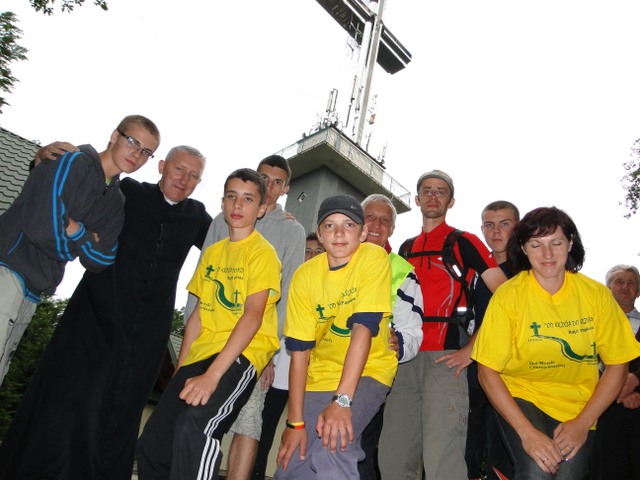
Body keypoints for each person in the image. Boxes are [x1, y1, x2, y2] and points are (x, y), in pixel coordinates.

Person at [0, 144, 212, 480]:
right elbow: (78, 190)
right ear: (161, 167)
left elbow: (234, 240)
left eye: (194, 176)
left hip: (147, 331)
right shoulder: (129, 192)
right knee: (71, 397)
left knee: (123, 408)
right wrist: (42, 160)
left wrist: (271, 214)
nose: (184, 180)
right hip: (97, 313)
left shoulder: (197, 216)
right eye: (179, 170)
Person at [471, 207, 640, 480]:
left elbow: (618, 365)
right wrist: (527, 434)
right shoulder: (508, 296)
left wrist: (583, 423)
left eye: (556, 243)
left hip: (578, 404)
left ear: (570, 243)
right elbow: (487, 371)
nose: (547, 254)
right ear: (523, 248)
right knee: (537, 469)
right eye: (536, 245)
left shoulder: (596, 295)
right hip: (522, 394)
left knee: (566, 475)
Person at [136, 168, 281, 480]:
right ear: (222, 202)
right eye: (231, 196)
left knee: (196, 426)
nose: (238, 205)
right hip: (201, 352)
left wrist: (213, 376)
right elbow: (198, 316)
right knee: (152, 444)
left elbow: (253, 316)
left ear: (261, 209)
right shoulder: (213, 253)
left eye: (248, 199)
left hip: (240, 355)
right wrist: (181, 369)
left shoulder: (263, 253)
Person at [0, 114, 159, 385]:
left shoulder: (115, 201)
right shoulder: (71, 161)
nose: (137, 154)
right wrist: (78, 245)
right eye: (133, 142)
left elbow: (102, 258)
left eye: (147, 152)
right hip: (8, 268)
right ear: (114, 136)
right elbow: (41, 226)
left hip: (35, 289)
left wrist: (76, 230)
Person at [378, 170, 507, 480]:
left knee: (443, 461)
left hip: (446, 359)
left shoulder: (465, 242)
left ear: (451, 201)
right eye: (427, 190)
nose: (433, 196)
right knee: (393, 457)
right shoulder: (405, 248)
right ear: (417, 199)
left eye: (441, 191)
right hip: (404, 358)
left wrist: (472, 349)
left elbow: (507, 297)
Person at [184, 154, 305, 480]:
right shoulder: (223, 219)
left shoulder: (291, 231)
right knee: (193, 416)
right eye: (264, 178)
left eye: (277, 182)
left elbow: (287, 293)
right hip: (207, 339)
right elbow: (201, 281)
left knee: (248, 420)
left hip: (253, 346)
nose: (269, 185)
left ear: (286, 188)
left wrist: (268, 353)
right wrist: (189, 339)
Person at [275, 194, 397, 480]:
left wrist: (342, 401)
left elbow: (363, 331)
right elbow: (299, 353)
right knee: (291, 461)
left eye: (349, 225)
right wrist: (295, 423)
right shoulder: (304, 276)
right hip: (321, 374)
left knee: (334, 444)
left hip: (369, 369)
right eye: (329, 225)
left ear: (363, 233)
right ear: (319, 234)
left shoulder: (373, 257)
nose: (339, 233)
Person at [357, 193, 424, 480]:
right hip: (324, 371)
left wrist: (401, 345)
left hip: (372, 375)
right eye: (370, 217)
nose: (376, 225)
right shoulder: (334, 257)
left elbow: (412, 329)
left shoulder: (403, 272)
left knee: (358, 448)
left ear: (392, 230)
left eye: (384, 220)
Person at [465, 201, 519, 480]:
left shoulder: (528, 270)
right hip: (473, 369)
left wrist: (469, 348)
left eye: (504, 224)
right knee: (468, 446)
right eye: (489, 225)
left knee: (504, 448)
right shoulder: (472, 270)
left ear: (518, 227)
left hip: (510, 370)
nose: (496, 231)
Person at [591, 264, 640, 480]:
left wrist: (636, 382)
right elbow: (583, 363)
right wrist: (618, 387)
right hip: (601, 408)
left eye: (631, 283)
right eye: (619, 282)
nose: (625, 287)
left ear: (638, 292)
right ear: (607, 288)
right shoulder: (591, 326)